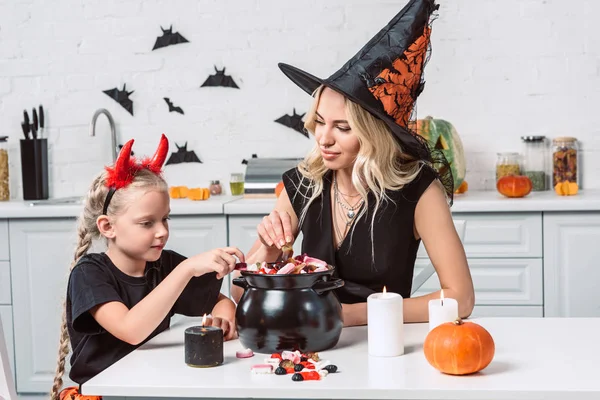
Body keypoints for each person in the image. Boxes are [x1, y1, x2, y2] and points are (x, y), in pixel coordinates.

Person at [231, 0, 474, 326]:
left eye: (343, 127)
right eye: (319, 122)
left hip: (386, 348)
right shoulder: (304, 183)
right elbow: (239, 294)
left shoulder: (417, 191)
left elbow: (461, 298)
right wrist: (268, 248)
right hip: (311, 351)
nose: (323, 138)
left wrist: (343, 316)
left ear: (375, 134)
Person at [50, 134, 244, 400]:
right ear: (108, 227)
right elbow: (131, 330)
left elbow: (221, 303)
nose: (162, 231)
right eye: (147, 223)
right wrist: (186, 269)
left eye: (165, 219)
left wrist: (223, 322)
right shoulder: (89, 274)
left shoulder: (164, 265)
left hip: (151, 388)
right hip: (104, 394)